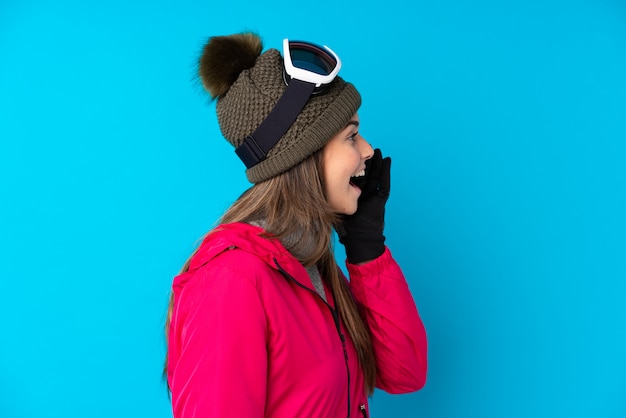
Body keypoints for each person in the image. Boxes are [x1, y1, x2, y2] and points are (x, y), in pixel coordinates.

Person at [164, 32, 428, 418]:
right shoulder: (231, 280)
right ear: (304, 156)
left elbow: (404, 373)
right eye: (352, 136)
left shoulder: (308, 263)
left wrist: (366, 248)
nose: (368, 151)